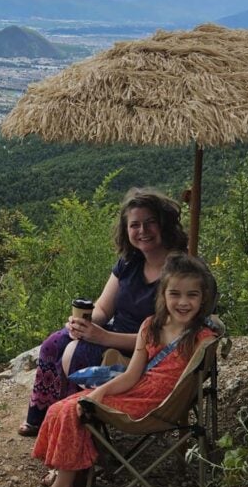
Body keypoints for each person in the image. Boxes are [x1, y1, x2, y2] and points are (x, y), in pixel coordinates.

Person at [14, 253, 216, 487]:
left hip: (159, 405)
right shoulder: (150, 327)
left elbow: (188, 387)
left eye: (192, 295)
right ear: (163, 294)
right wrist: (100, 392)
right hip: (136, 393)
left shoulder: (203, 338)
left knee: (70, 411)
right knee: (61, 408)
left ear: (203, 299)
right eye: (175, 293)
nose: (182, 302)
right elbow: (132, 376)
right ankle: (75, 471)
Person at [17, 187, 187, 437]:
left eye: (151, 223)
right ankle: (43, 417)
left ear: (164, 224)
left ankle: (75, 432)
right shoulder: (130, 263)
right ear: (126, 230)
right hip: (114, 334)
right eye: (135, 225)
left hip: (147, 352)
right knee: (55, 343)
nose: (142, 231)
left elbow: (168, 338)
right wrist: (84, 324)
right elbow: (104, 308)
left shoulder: (180, 272)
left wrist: (102, 337)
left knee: (78, 354)